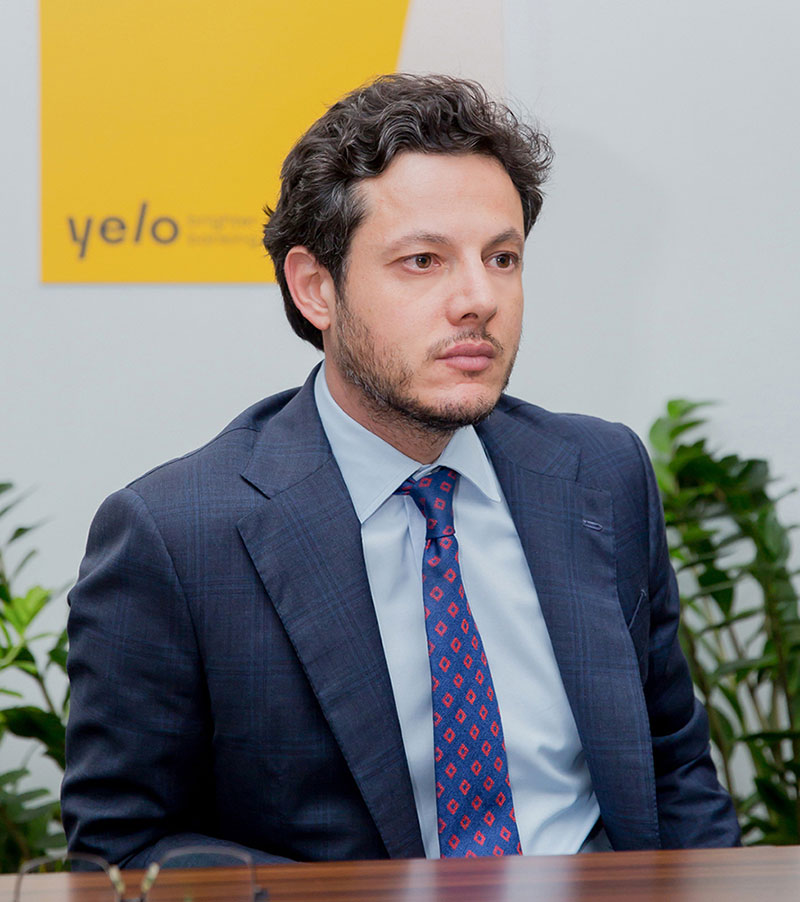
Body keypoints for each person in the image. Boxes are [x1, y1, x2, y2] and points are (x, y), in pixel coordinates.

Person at [61, 73, 740, 866]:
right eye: (423, 260)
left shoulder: (602, 474)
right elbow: (122, 846)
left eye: (502, 257)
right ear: (316, 288)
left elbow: (673, 765)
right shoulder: (177, 536)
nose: (479, 298)